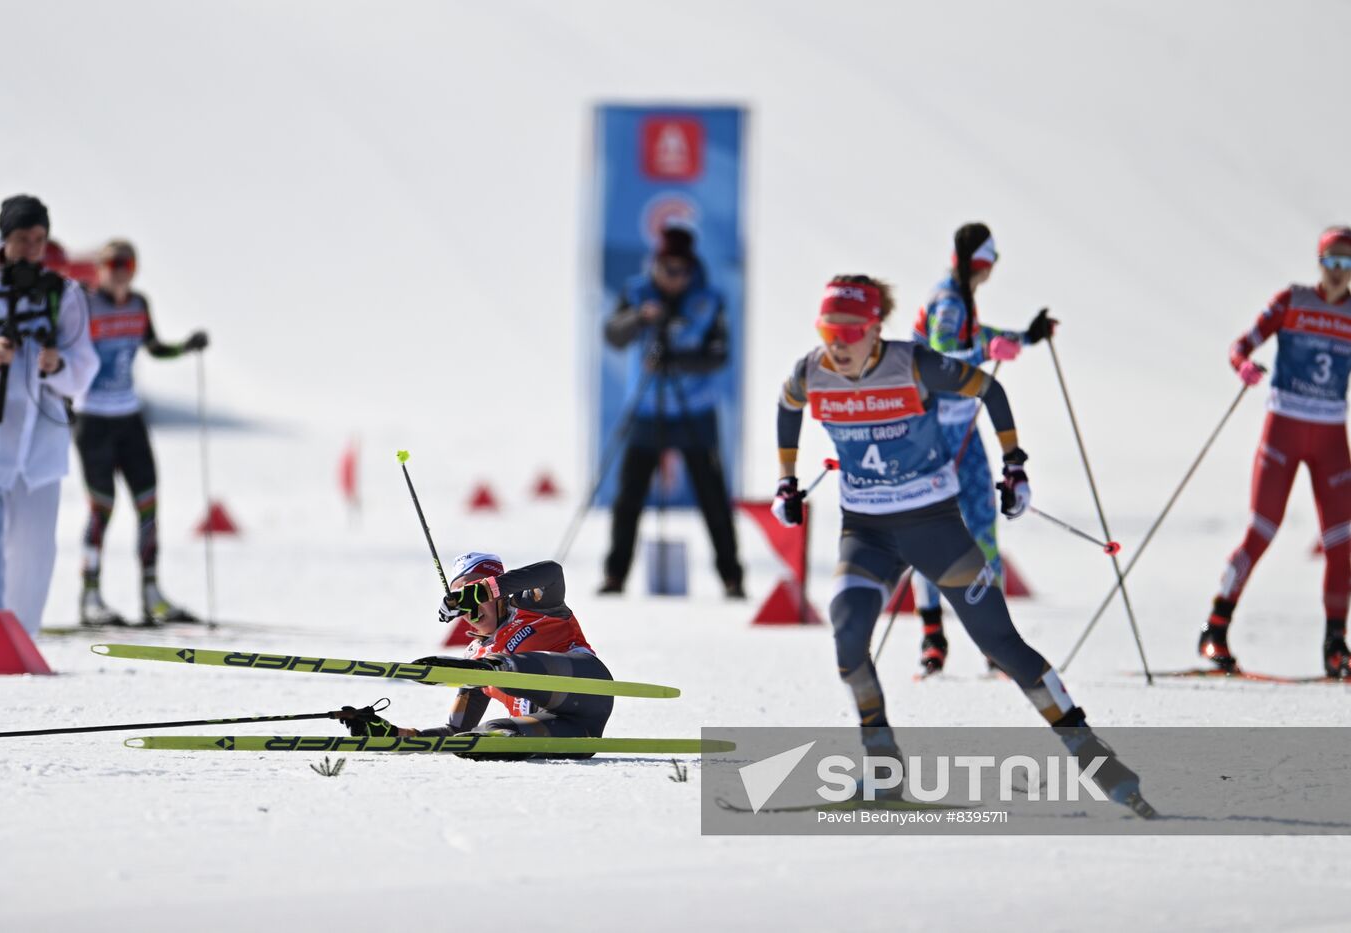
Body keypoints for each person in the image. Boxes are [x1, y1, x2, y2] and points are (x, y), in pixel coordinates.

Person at [771, 274, 1150, 814]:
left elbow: (990, 389)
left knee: (1002, 646)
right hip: (866, 532)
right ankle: (882, 768)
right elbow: (786, 407)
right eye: (830, 329)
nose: (840, 343)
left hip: (934, 526)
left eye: (852, 332)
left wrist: (1015, 467)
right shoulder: (811, 372)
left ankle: (1094, 755)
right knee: (848, 634)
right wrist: (785, 479)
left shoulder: (914, 363)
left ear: (877, 329)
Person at [0, 195, 100, 659]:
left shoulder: (64, 294)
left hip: (41, 443)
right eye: (22, 240)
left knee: (34, 551)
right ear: (3, 238)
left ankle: (16, 637)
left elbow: (85, 366)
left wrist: (58, 366)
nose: (32, 249)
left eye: (39, 240)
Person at [1201, 227, 1351, 679]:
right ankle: (1214, 629)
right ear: (1319, 263)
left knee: (1341, 545)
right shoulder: (1292, 301)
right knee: (1262, 530)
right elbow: (1241, 344)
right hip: (1283, 429)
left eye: (1347, 264)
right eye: (1332, 262)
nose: (1339, 273)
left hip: (1330, 439)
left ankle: (1334, 646)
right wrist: (1244, 365)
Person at [909, 223, 1056, 674]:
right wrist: (989, 350)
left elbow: (980, 333)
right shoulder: (948, 302)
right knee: (931, 529)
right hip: (933, 435)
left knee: (983, 528)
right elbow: (943, 357)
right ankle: (933, 637)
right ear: (981, 264)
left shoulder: (961, 299)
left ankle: (993, 640)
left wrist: (1025, 336)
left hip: (964, 432)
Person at [338, 552, 614, 760]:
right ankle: (511, 740)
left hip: (588, 687)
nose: (468, 605)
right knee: (486, 732)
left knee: (497, 668)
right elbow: (454, 733)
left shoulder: (533, 605)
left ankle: (499, 668)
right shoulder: (476, 657)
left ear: (498, 591)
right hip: (576, 730)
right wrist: (397, 736)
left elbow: (552, 572)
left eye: (473, 592)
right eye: (460, 598)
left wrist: (483, 590)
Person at [599, 224, 744, 597]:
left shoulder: (710, 299)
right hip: (647, 409)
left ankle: (732, 576)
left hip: (695, 411)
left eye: (680, 270)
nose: (672, 278)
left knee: (712, 498)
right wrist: (640, 319)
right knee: (628, 497)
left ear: (691, 268)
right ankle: (615, 575)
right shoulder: (637, 293)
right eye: (665, 268)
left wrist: (676, 361)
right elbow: (612, 335)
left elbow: (719, 355)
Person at [74, 240, 208, 626]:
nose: (119, 270)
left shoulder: (139, 304)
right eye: (112, 263)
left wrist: (185, 347)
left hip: (129, 417)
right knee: (102, 508)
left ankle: (152, 594)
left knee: (148, 503)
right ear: (99, 268)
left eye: (126, 263)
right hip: (93, 417)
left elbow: (153, 347)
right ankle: (91, 597)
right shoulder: (85, 305)